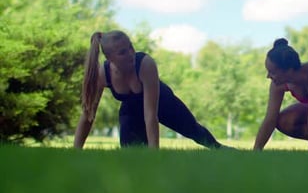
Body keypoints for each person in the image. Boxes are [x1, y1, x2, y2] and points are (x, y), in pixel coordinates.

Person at [74, 30, 227, 149]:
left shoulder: (145, 64)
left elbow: (150, 114)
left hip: (163, 102)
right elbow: (88, 115)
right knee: (132, 152)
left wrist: (155, 153)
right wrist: (76, 150)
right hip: (131, 112)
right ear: (109, 58)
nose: (131, 54)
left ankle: (224, 151)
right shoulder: (103, 74)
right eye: (122, 52)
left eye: (130, 47)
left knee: (196, 132)